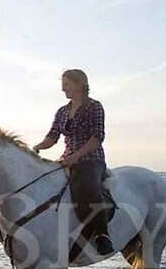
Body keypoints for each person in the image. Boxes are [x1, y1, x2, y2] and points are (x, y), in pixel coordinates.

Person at [32, 69, 115, 256]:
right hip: (67, 160)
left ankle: (102, 234)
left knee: (88, 187)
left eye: (67, 84)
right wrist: (37, 147)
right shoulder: (62, 111)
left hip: (91, 160)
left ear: (80, 84)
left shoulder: (94, 107)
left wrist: (76, 156)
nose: (63, 89)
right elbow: (52, 137)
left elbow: (97, 137)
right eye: (63, 85)